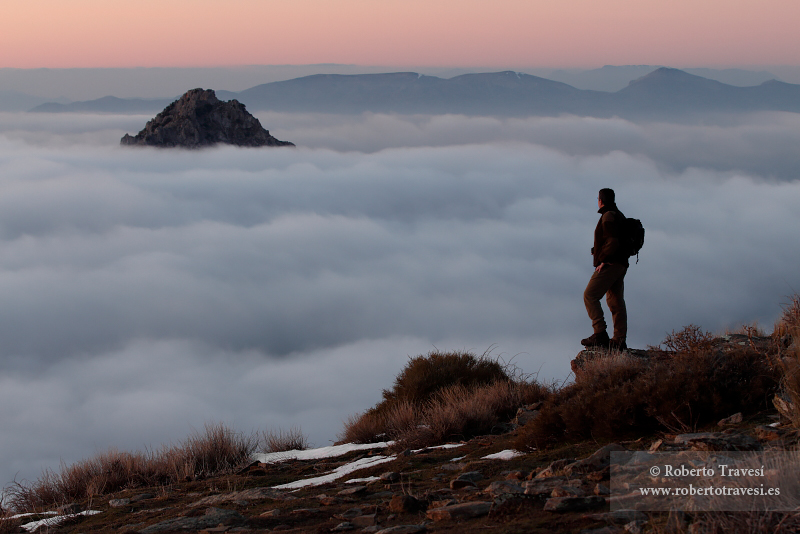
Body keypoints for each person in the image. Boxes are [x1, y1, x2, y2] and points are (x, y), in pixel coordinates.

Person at [581, 188, 628, 350]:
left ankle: (600, 333)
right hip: (621, 264)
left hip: (611, 263)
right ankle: (619, 340)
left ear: (601, 200)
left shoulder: (608, 216)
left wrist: (603, 260)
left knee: (590, 295)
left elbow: (612, 242)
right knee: (615, 301)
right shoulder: (617, 214)